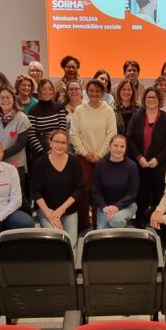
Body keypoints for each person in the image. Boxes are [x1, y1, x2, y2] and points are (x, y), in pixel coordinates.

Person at [70, 79, 117, 230]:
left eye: (98, 91)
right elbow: (74, 134)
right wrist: (85, 153)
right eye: (91, 90)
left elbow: (111, 134)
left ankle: (98, 223)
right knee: (83, 189)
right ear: (87, 92)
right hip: (83, 157)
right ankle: (83, 223)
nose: (94, 93)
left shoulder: (108, 110)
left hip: (102, 158)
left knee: (100, 190)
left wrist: (100, 154)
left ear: (102, 93)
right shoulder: (79, 110)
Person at [127, 88, 166, 228]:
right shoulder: (137, 116)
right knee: (141, 192)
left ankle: (156, 220)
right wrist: (139, 157)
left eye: (154, 97)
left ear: (159, 100)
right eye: (148, 97)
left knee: (158, 193)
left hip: (159, 165)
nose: (151, 99)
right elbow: (129, 138)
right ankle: (141, 219)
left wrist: (158, 159)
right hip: (140, 163)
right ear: (144, 99)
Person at [31, 130, 84, 247]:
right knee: (57, 239)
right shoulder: (40, 162)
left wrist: (61, 210)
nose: (60, 145)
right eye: (56, 141)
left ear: (67, 144)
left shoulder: (74, 161)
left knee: (71, 243)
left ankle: (71, 265)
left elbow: (79, 189)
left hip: (68, 210)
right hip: (47, 210)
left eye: (63, 143)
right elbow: (36, 192)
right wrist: (51, 215)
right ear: (50, 142)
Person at [0, 87, 31, 201]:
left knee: (16, 196)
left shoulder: (22, 118)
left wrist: (0, 156)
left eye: (8, 97)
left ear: (14, 99)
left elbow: (20, 144)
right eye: (2, 97)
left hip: (16, 164)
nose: (5, 100)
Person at [92, 135, 139, 229]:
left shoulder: (132, 166)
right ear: (109, 147)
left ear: (126, 149)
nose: (118, 149)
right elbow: (95, 191)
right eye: (115, 146)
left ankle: (123, 231)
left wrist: (117, 207)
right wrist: (104, 207)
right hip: (105, 207)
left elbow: (132, 193)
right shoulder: (100, 165)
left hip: (126, 205)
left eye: (122, 146)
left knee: (115, 220)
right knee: (101, 238)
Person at [27, 79, 67, 159]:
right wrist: (43, 151)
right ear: (39, 91)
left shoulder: (59, 107)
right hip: (41, 151)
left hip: (58, 148)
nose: (47, 92)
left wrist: (56, 148)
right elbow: (31, 135)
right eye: (44, 89)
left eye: (50, 89)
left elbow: (62, 129)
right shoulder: (33, 110)